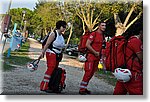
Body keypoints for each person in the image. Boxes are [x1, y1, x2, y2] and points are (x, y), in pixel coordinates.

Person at [38, 20, 67, 92]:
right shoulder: (53, 34)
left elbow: (62, 46)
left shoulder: (61, 36)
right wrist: (42, 53)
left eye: (65, 27)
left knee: (54, 69)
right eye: (63, 27)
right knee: (51, 68)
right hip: (51, 52)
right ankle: (44, 86)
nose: (64, 28)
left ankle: (52, 85)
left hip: (58, 54)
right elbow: (47, 44)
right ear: (59, 27)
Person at [79, 22, 106, 95]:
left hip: (97, 57)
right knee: (88, 72)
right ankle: (81, 89)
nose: (104, 27)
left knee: (91, 73)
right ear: (99, 26)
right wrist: (95, 52)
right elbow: (87, 45)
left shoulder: (103, 36)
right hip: (91, 56)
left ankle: (84, 88)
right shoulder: (93, 34)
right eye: (102, 25)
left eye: (105, 25)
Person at [113, 30, 143, 95]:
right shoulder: (136, 42)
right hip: (134, 74)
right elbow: (142, 58)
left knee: (118, 93)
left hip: (123, 71)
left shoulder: (129, 40)